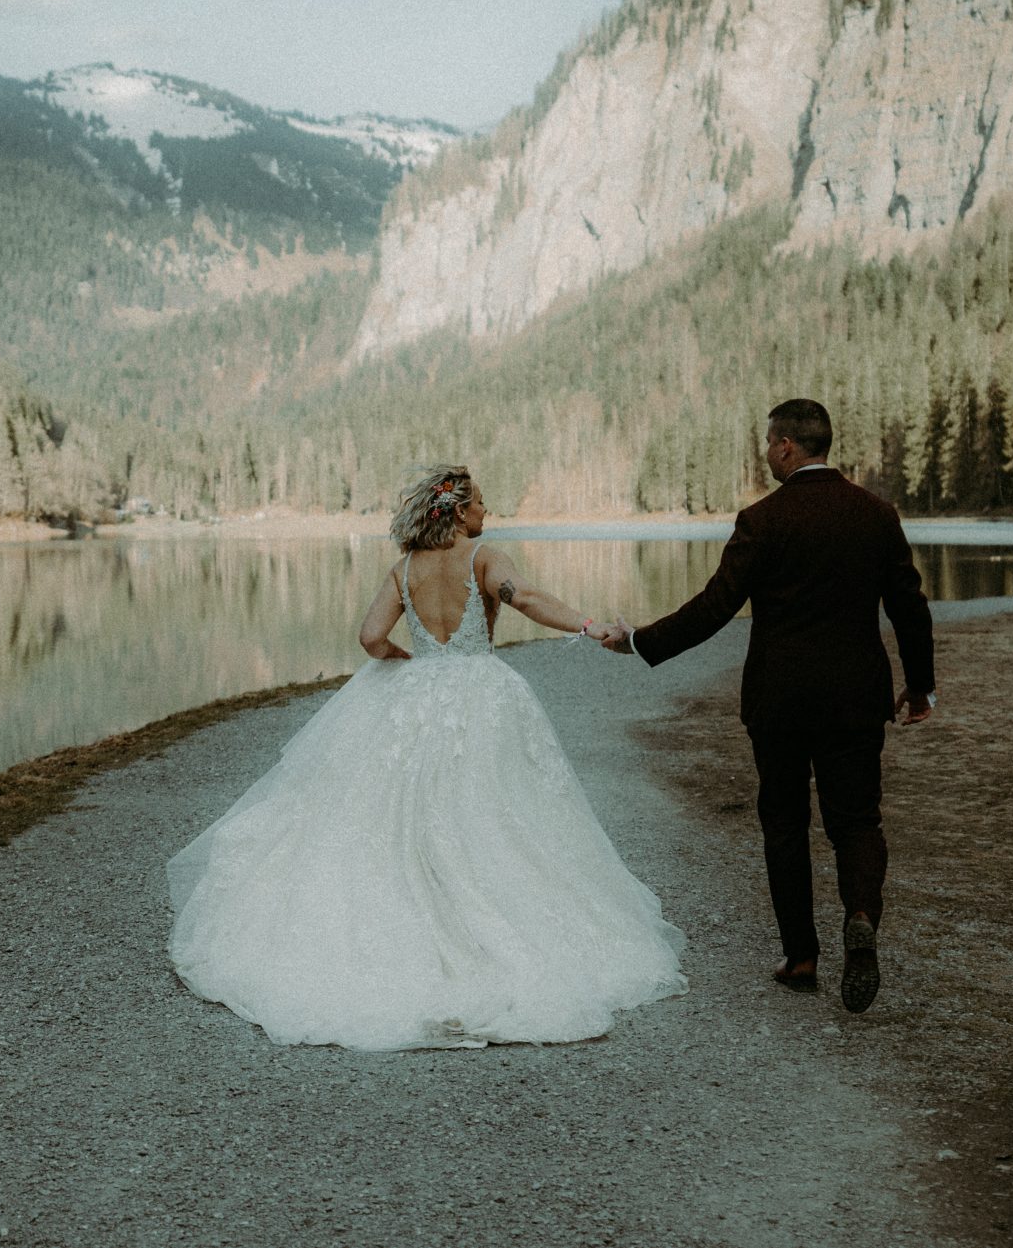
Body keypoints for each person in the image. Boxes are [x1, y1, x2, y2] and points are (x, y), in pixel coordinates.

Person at [166, 465, 686, 1050]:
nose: (488, 513)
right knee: (490, 811)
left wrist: (400, 658)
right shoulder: (483, 558)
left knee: (408, 814)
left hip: (419, 694)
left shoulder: (404, 567)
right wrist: (589, 625)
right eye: (483, 504)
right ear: (460, 511)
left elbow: (368, 637)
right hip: (479, 697)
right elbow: (530, 599)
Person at [595, 398, 934, 1013]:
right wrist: (921, 684)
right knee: (857, 820)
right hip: (857, 696)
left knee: (784, 822)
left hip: (780, 701)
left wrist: (640, 641)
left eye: (767, 443)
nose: (765, 453)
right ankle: (860, 914)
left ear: (785, 446)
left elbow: (714, 606)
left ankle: (802, 957)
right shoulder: (877, 515)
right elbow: (909, 605)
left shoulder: (763, 519)